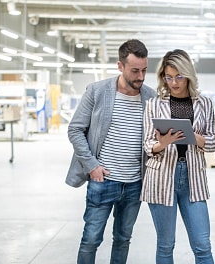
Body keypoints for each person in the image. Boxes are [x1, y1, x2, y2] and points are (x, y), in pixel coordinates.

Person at [65, 39, 157, 264]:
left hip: (135, 183)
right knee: (91, 239)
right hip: (103, 180)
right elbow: (75, 130)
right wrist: (92, 166)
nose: (141, 77)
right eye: (135, 71)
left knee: (123, 239)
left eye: (144, 70)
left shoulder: (150, 97)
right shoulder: (97, 91)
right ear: (120, 66)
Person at [141, 49, 215, 264]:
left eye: (179, 77)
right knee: (165, 245)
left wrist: (193, 136)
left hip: (192, 176)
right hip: (162, 176)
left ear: (189, 75)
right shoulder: (154, 104)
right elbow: (147, 144)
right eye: (168, 77)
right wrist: (162, 143)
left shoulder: (205, 103)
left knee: (203, 245)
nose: (174, 83)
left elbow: (212, 143)